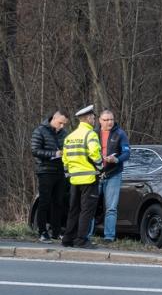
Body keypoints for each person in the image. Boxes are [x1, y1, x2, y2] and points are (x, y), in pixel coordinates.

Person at [61, 105, 102, 249]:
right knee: (87, 211)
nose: (95, 120)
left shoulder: (70, 136)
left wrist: (68, 174)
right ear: (88, 118)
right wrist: (101, 168)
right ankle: (81, 240)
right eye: (93, 117)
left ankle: (68, 238)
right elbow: (95, 155)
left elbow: (65, 159)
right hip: (89, 179)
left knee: (74, 209)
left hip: (74, 179)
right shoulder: (90, 135)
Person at [87, 109, 130, 242]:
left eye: (111, 119)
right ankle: (86, 235)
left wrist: (116, 159)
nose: (109, 122)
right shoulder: (93, 133)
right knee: (90, 205)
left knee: (111, 208)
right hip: (96, 174)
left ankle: (109, 236)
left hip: (113, 174)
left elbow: (127, 153)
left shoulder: (120, 134)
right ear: (100, 120)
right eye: (106, 120)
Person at [31, 110, 70, 242]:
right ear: (54, 119)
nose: (62, 126)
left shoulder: (64, 134)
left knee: (59, 203)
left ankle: (56, 231)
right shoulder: (40, 131)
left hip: (60, 171)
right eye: (61, 123)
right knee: (44, 202)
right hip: (45, 171)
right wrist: (54, 154)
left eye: (64, 124)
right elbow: (35, 150)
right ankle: (42, 231)